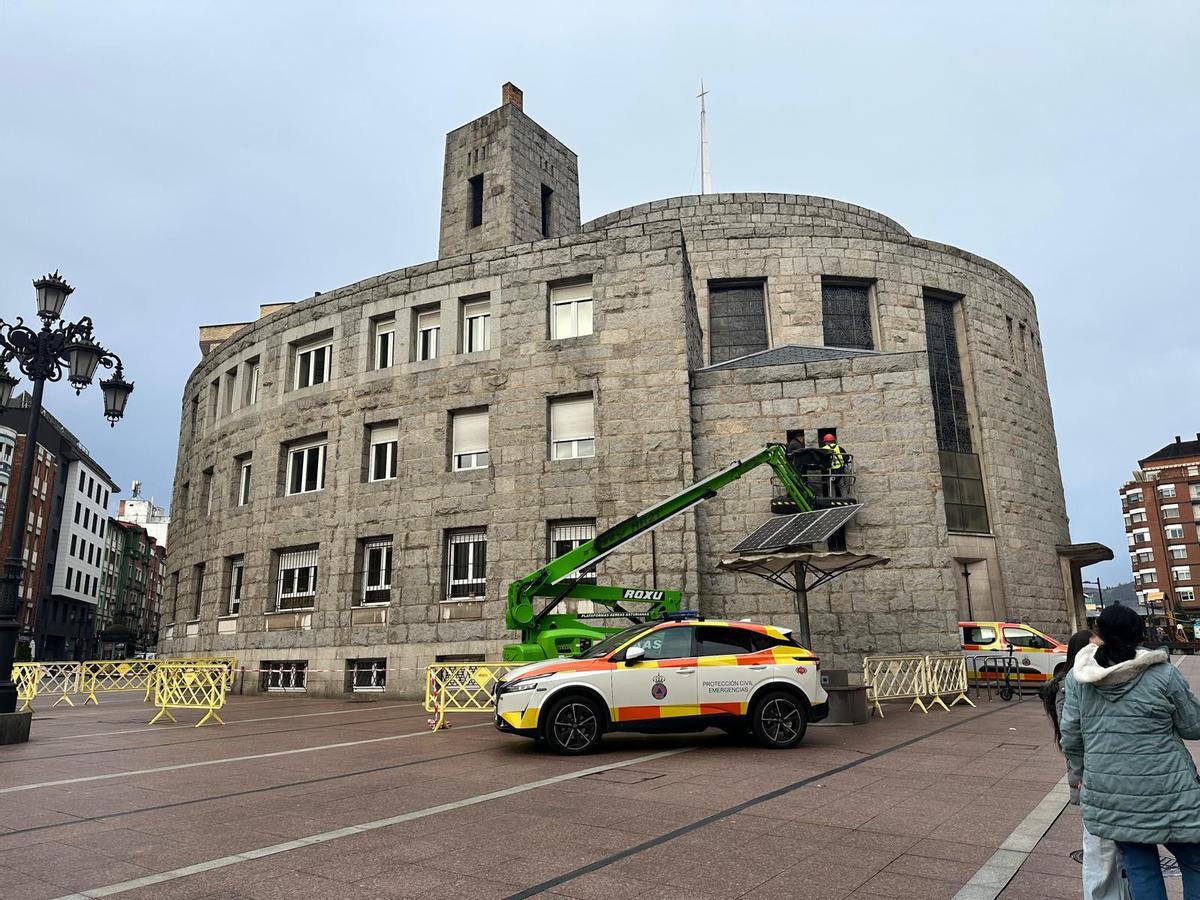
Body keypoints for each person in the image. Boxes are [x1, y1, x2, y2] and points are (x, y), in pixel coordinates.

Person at [1061, 604, 1200, 900]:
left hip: (1111, 790)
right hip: (1169, 787)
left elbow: (1071, 736)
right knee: (1195, 861)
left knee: (1140, 866)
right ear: (1139, 635)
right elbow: (1193, 727)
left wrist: (1081, 775)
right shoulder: (1162, 674)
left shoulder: (1078, 679)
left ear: (1098, 635)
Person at [1041, 629, 1129, 900]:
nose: (1099, 652)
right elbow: (1071, 736)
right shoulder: (1071, 684)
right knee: (1100, 849)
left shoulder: (1096, 678)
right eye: (1093, 648)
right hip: (1092, 775)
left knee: (1118, 849)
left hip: (1111, 775)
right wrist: (1079, 774)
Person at [820, 433, 846, 497]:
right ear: (834, 441)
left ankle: (832, 501)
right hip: (839, 470)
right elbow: (846, 458)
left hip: (830, 470)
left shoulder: (823, 449)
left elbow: (821, 460)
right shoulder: (840, 448)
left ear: (825, 442)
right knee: (842, 486)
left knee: (831, 487)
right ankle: (846, 500)